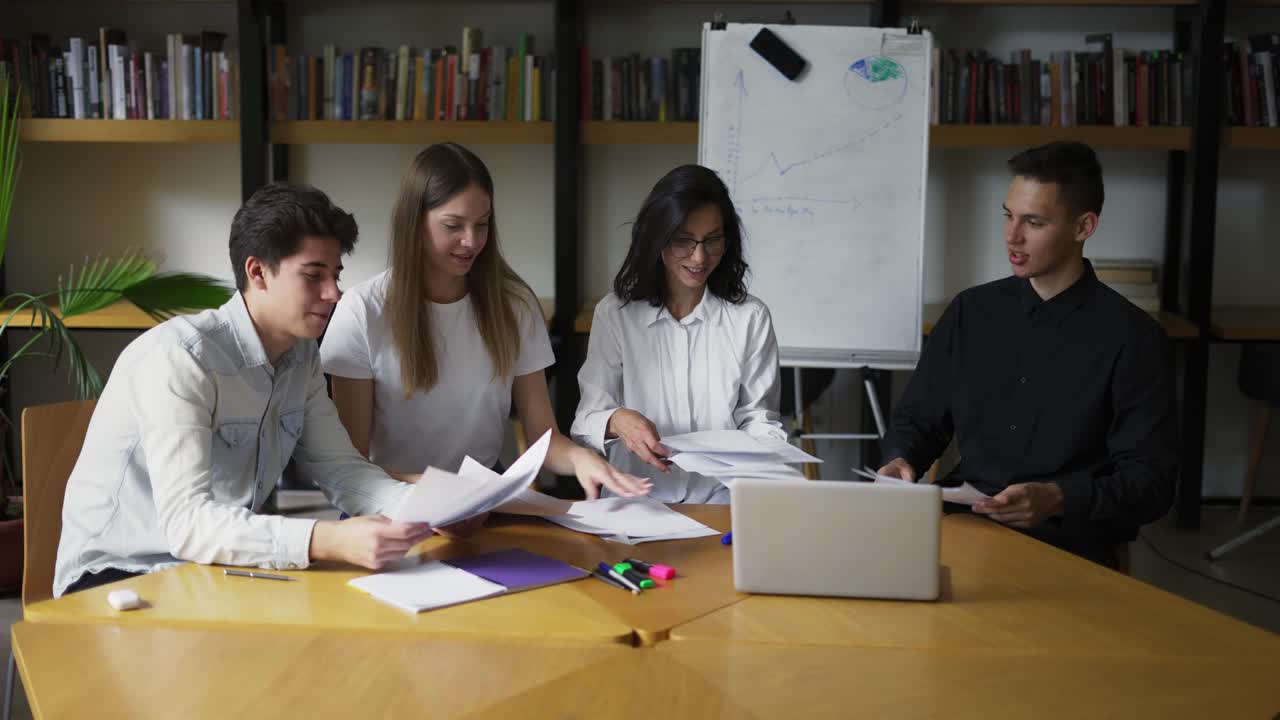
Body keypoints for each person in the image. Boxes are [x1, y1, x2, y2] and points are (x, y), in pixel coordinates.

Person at [54, 183, 433, 598]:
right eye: (313, 276)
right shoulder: (181, 357)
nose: (334, 293)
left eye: (335, 275)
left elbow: (343, 470)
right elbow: (187, 523)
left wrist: (426, 509)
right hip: (115, 576)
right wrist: (324, 539)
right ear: (257, 272)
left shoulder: (302, 355)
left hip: (205, 570)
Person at [878, 141, 1178, 568]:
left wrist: (1059, 498)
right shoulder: (971, 311)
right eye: (1008, 215)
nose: (1011, 236)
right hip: (965, 522)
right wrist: (901, 459)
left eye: (1033, 222)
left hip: (1071, 542)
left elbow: (1151, 482)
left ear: (1083, 226)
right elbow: (920, 417)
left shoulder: (1134, 338)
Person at [321, 143, 649, 518]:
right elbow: (352, 467)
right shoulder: (362, 311)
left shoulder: (514, 305)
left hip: (482, 502)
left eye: (482, 224)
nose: (472, 241)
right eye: (453, 226)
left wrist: (580, 459)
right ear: (414, 223)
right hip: (388, 503)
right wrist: (440, 491)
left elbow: (543, 439)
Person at [571, 164, 791, 504]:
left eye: (712, 240)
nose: (699, 257)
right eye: (683, 241)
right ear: (657, 238)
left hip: (720, 498)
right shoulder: (616, 314)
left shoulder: (750, 317)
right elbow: (585, 422)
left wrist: (774, 463)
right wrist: (616, 420)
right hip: (637, 499)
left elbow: (758, 418)